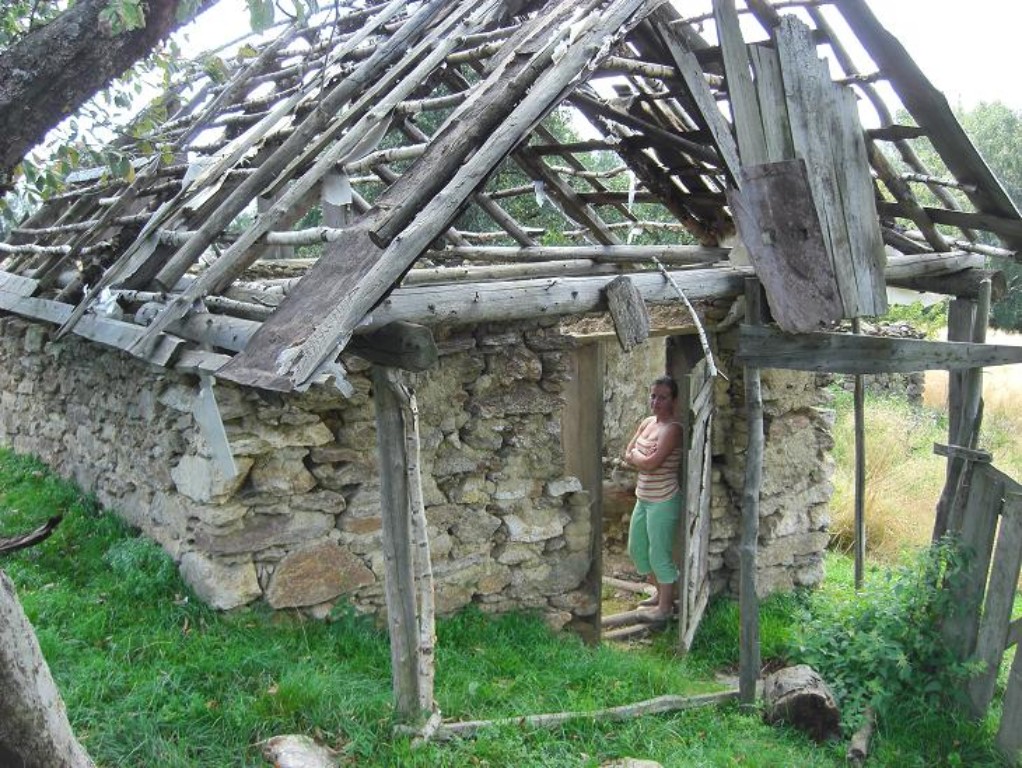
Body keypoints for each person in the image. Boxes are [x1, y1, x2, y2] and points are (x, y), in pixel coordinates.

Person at [622, 375, 684, 620]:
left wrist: (638, 457)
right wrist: (640, 458)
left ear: (674, 400)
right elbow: (627, 453)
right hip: (643, 497)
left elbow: (651, 463)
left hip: (664, 500)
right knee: (637, 548)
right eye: (653, 396)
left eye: (663, 397)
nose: (656, 402)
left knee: (659, 554)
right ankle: (660, 594)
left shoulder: (674, 429)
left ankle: (664, 608)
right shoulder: (647, 422)